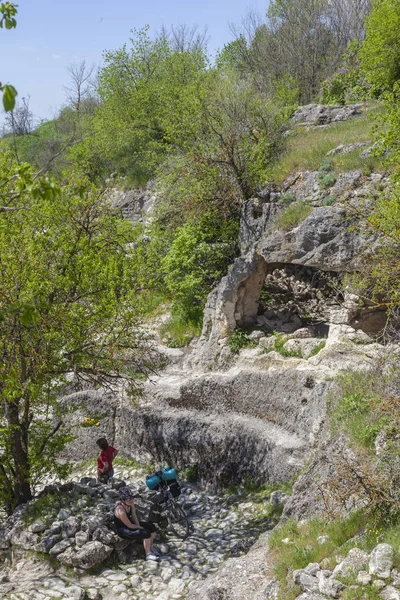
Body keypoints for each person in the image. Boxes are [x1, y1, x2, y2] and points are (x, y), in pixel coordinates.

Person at [114, 487, 161, 561]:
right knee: (146, 533)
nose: (131, 500)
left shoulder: (130, 504)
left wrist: (139, 526)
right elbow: (129, 525)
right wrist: (140, 528)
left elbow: (134, 516)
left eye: (131, 498)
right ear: (122, 500)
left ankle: (151, 547)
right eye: (128, 499)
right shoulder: (120, 510)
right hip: (123, 530)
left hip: (130, 525)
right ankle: (148, 554)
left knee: (151, 527)